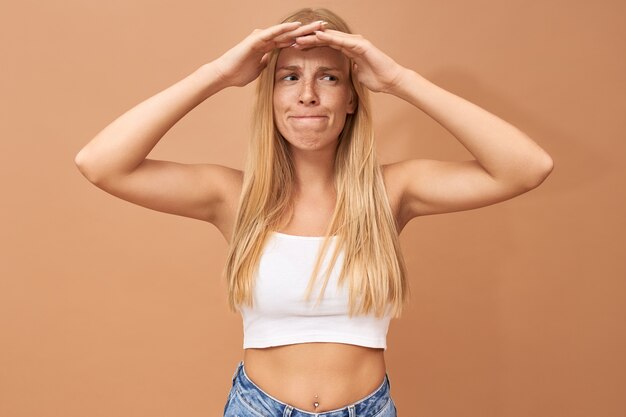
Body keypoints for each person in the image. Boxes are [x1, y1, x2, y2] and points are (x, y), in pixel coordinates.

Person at [74, 7, 553, 417]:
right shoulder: (235, 199)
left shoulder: (390, 192)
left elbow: (527, 167)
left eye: (328, 76)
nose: (308, 94)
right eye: (290, 77)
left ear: (350, 99)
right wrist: (221, 73)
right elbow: (100, 164)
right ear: (272, 97)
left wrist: (399, 80)